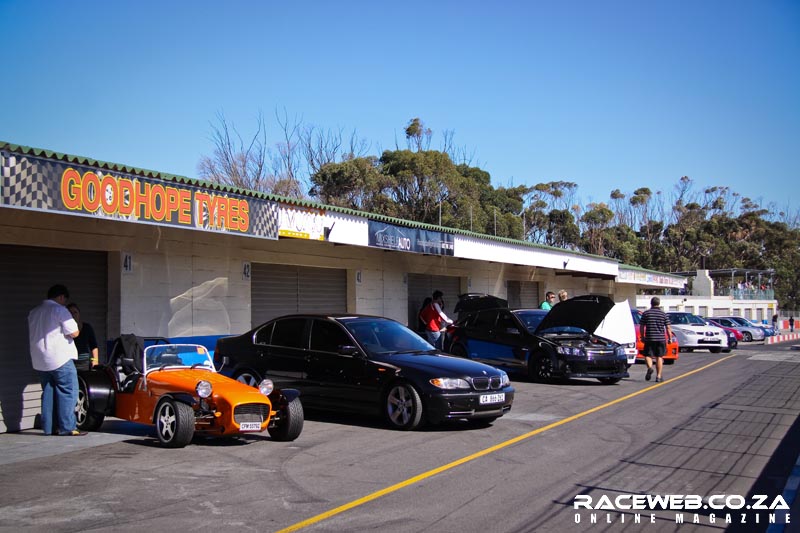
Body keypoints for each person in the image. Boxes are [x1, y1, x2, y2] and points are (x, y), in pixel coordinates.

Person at [28, 284, 87, 436]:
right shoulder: (60, 310)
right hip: (60, 359)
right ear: (61, 297)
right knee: (68, 391)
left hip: (40, 361)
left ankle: (49, 428)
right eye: (65, 300)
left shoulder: (34, 312)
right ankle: (68, 427)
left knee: (48, 391)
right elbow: (74, 332)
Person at [640, 296, 670, 383]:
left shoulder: (646, 313)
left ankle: (650, 368)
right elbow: (668, 327)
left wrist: (642, 336)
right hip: (661, 338)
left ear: (651, 303)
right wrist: (670, 338)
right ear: (659, 304)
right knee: (659, 357)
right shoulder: (663, 314)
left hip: (649, 338)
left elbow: (642, 326)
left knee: (647, 355)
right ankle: (658, 376)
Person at [67, 303, 99, 371]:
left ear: (79, 314)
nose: (73, 315)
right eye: (70, 313)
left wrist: (95, 360)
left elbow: (93, 346)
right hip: (69, 363)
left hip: (84, 363)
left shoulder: (87, 327)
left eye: (75, 312)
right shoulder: (64, 329)